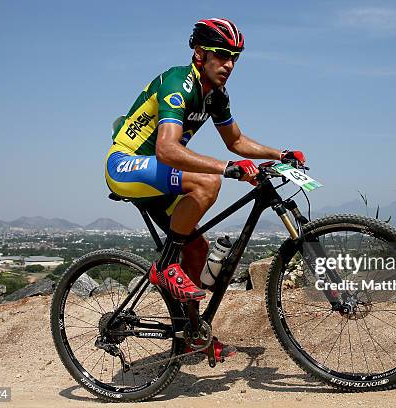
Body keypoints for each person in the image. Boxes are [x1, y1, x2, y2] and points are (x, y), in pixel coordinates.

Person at [104, 17, 305, 360]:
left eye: (234, 58)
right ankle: (165, 266)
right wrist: (227, 169)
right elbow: (167, 149)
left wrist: (279, 153)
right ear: (200, 54)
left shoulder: (216, 95)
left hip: (161, 176)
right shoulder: (178, 82)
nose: (229, 64)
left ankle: (192, 332)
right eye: (221, 55)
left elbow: (236, 141)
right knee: (208, 180)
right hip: (126, 166)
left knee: (197, 249)